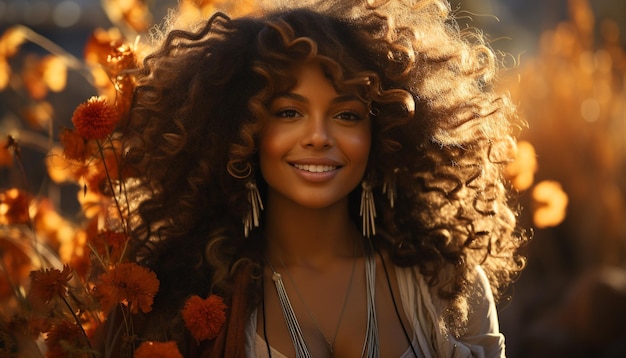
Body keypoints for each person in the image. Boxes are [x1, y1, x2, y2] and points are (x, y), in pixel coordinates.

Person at [106, 0, 527, 356]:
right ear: (242, 132)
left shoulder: (447, 284)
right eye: (289, 112)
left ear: (381, 135)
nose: (319, 137)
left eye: (346, 115)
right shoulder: (189, 298)